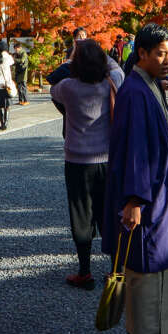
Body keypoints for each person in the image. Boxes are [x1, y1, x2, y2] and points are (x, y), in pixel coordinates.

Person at [103, 23, 168, 334]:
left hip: (151, 194)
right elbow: (136, 150)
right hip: (147, 198)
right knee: (151, 269)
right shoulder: (138, 93)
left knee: (139, 268)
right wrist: (135, 199)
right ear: (141, 53)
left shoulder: (143, 86)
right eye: (161, 54)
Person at [52, 39, 124, 290]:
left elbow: (54, 83)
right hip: (107, 159)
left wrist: (73, 58)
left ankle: (84, 271)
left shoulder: (68, 88)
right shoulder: (111, 83)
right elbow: (116, 67)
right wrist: (104, 56)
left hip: (77, 161)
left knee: (81, 215)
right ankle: (117, 271)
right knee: (109, 215)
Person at [12, 41, 30, 105]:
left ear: (19, 48)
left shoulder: (23, 53)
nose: (15, 50)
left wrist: (14, 59)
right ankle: (20, 100)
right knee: (19, 87)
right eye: (15, 49)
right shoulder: (16, 54)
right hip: (18, 71)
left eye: (16, 48)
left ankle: (26, 100)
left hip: (23, 72)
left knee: (23, 86)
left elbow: (22, 61)